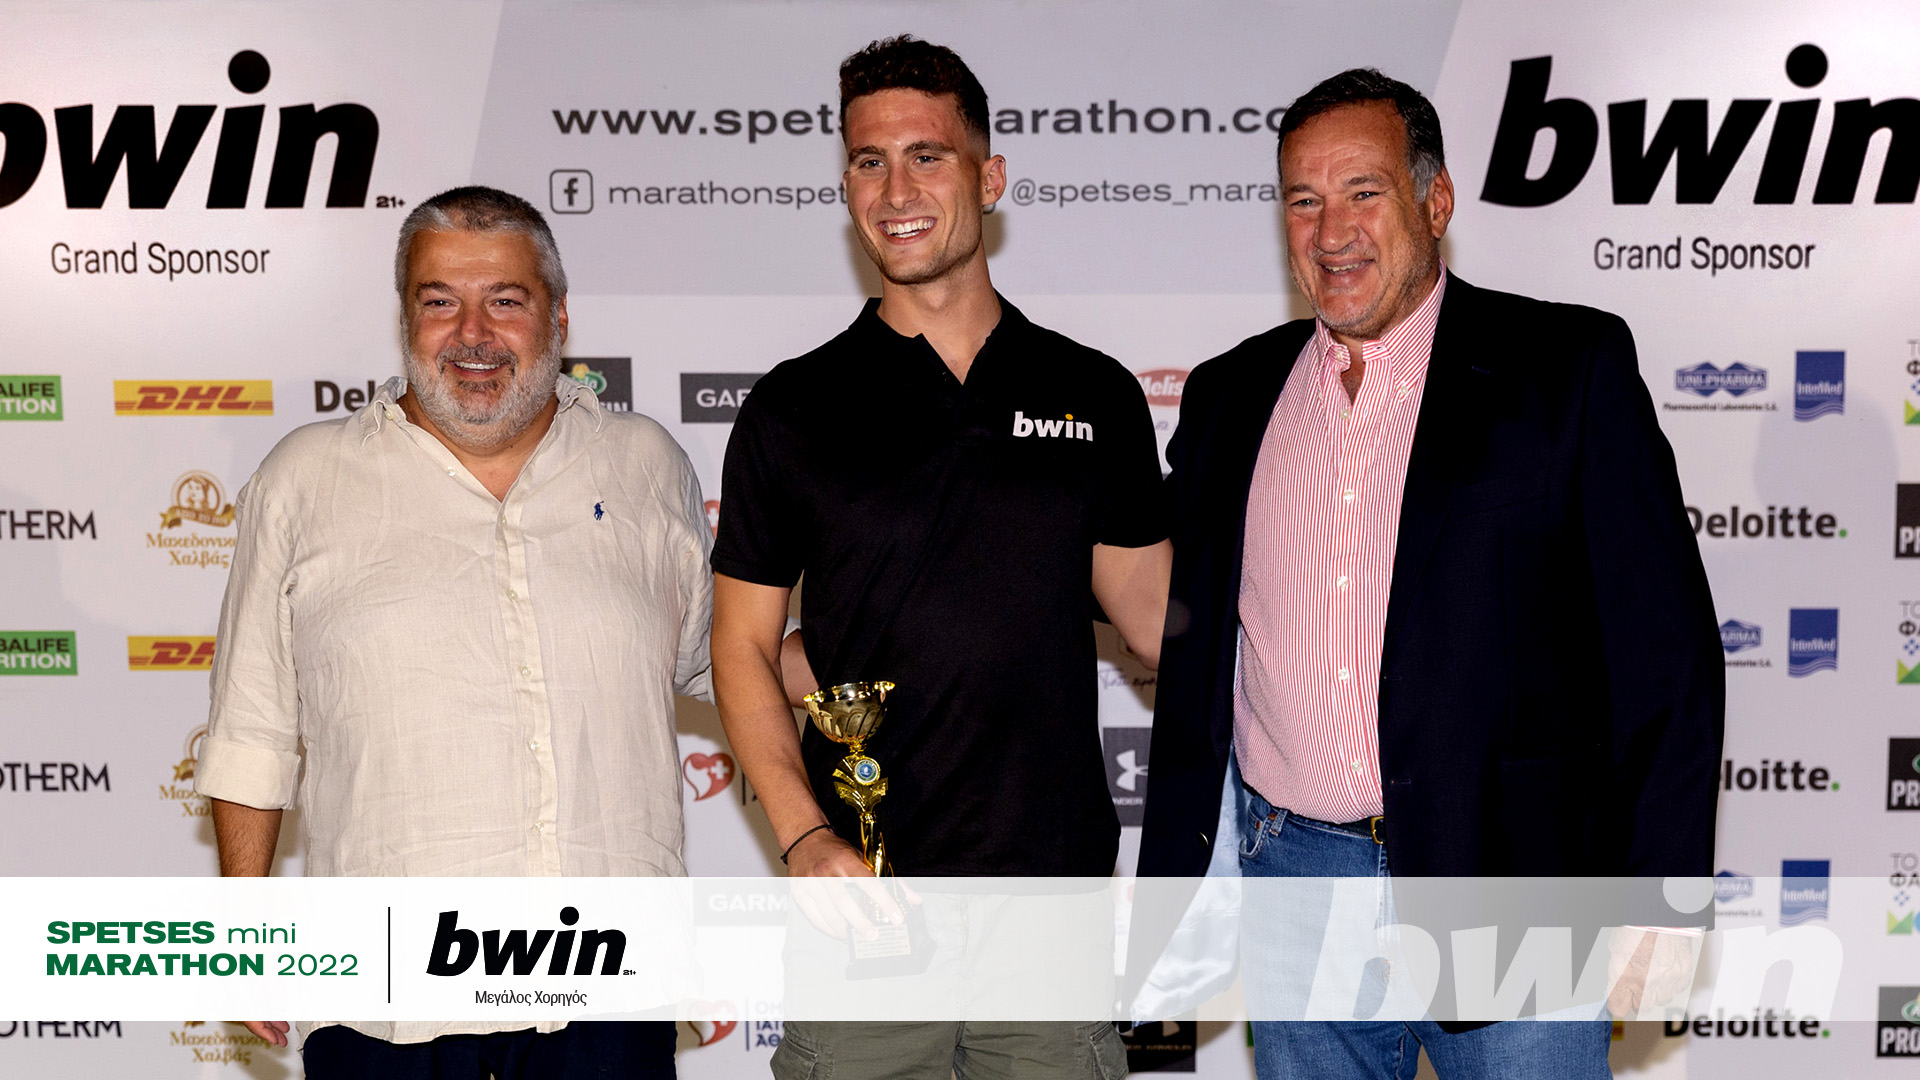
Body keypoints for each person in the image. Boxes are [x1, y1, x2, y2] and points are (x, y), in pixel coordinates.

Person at [1135, 69, 1723, 1077]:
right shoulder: (1231, 395)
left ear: (1435, 200)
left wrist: (1660, 902)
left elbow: (1665, 654)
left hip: (1513, 878)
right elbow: (1183, 627)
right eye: (1304, 201)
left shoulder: (1565, 368)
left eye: (1363, 192)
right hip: (1295, 882)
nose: (1332, 232)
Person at [709, 35, 1170, 1080]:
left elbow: (1156, 621)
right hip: (865, 909)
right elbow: (740, 646)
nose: (896, 190)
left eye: (927, 156)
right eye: (869, 162)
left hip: (1048, 910)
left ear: (989, 178)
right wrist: (804, 838)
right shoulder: (794, 407)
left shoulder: (1092, 391)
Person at [194, 185, 711, 1079]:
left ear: (558, 318)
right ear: (405, 320)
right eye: (440, 302)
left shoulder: (646, 466)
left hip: (609, 991)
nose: (473, 334)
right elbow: (252, 729)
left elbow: (724, 662)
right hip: (385, 1004)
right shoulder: (304, 480)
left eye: (505, 301)